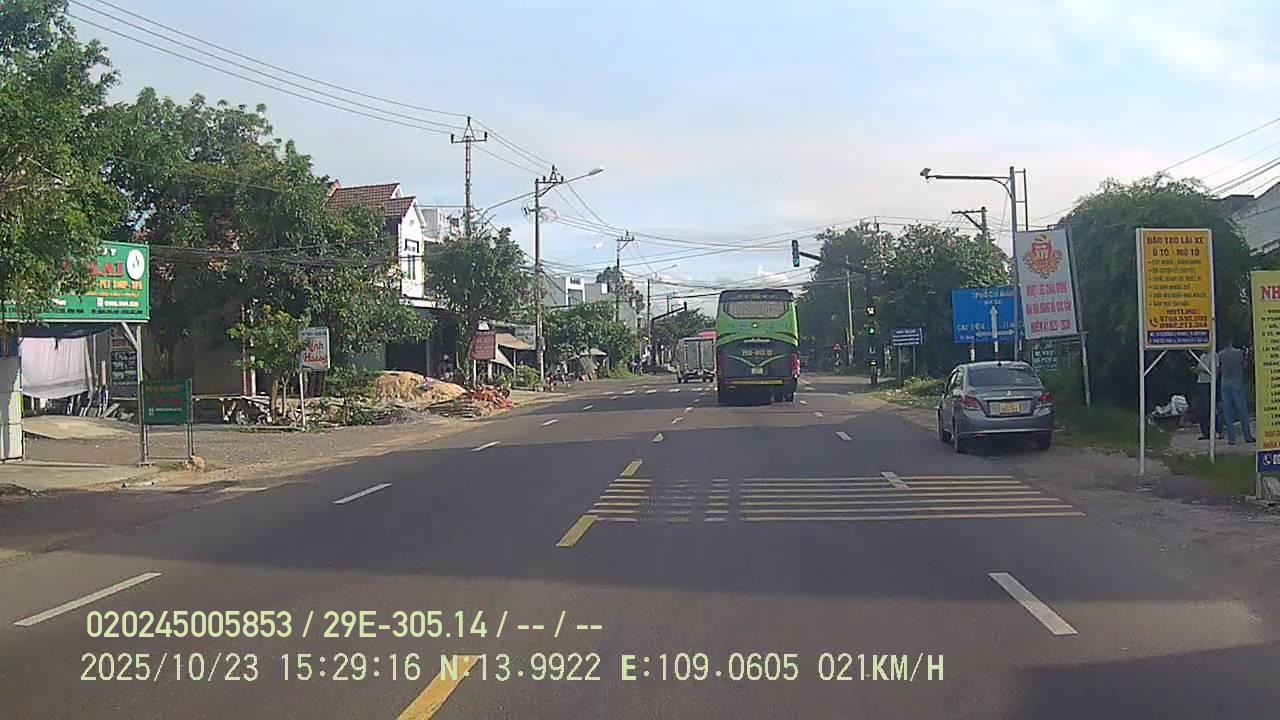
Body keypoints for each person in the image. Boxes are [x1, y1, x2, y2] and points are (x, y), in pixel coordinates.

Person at [1217, 337, 1255, 445]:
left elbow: (1219, 369)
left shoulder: (1220, 354)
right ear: (1231, 342)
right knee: (1242, 409)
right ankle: (1247, 436)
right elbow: (1244, 365)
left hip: (1225, 382)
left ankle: (1231, 438)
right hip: (1237, 381)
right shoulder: (1238, 353)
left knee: (1228, 411)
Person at [1190, 354, 1223, 440]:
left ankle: (1219, 430)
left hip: (1209, 383)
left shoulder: (1214, 355)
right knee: (1202, 409)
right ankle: (1205, 432)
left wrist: (1214, 380)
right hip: (1201, 383)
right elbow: (1200, 370)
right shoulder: (1202, 356)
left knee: (1212, 407)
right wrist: (1196, 370)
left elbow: (1216, 370)